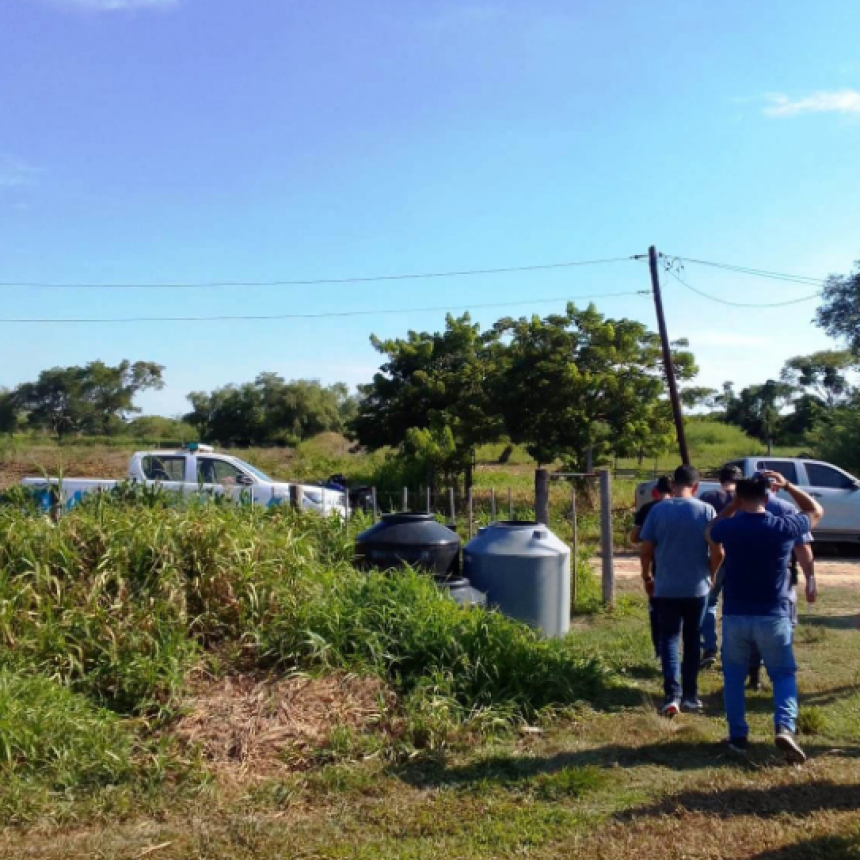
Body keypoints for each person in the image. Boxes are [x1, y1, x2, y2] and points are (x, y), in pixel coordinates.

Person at [707, 471, 823, 763]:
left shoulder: (730, 528)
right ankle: (784, 726)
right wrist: (788, 486)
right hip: (773, 613)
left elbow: (710, 530)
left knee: (733, 677)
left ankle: (737, 737)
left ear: (740, 496)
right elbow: (816, 511)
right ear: (768, 495)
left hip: (735, 614)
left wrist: (733, 505)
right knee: (783, 674)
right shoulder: (784, 526)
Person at [640, 465, 722, 717]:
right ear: (696, 487)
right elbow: (718, 551)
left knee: (669, 641)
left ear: (674, 484)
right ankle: (690, 696)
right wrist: (712, 575)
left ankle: (670, 696)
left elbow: (646, 549)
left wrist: (647, 576)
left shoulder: (657, 510)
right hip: (696, 588)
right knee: (692, 640)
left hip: (665, 588)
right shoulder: (706, 510)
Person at [699, 466, 744, 667]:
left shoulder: (708, 497)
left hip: (713, 557)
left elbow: (702, 527)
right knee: (734, 607)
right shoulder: (745, 497)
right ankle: (731, 650)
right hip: (738, 559)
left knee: (709, 603)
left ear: (720, 479)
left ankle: (709, 646)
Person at [630, 475, 672, 659]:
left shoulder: (648, 508)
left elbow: (634, 537)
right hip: (684, 567)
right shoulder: (688, 508)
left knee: (657, 609)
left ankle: (660, 651)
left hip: (657, 565)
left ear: (655, 492)